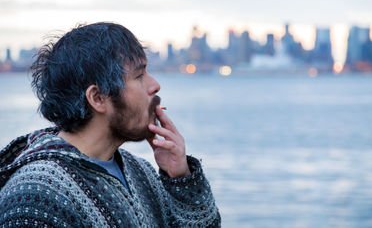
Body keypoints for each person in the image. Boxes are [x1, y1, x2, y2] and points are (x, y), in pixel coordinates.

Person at [0, 22, 221, 227]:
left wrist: (181, 178)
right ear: (97, 98)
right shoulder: (35, 197)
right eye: (139, 75)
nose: (155, 85)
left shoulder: (141, 173)